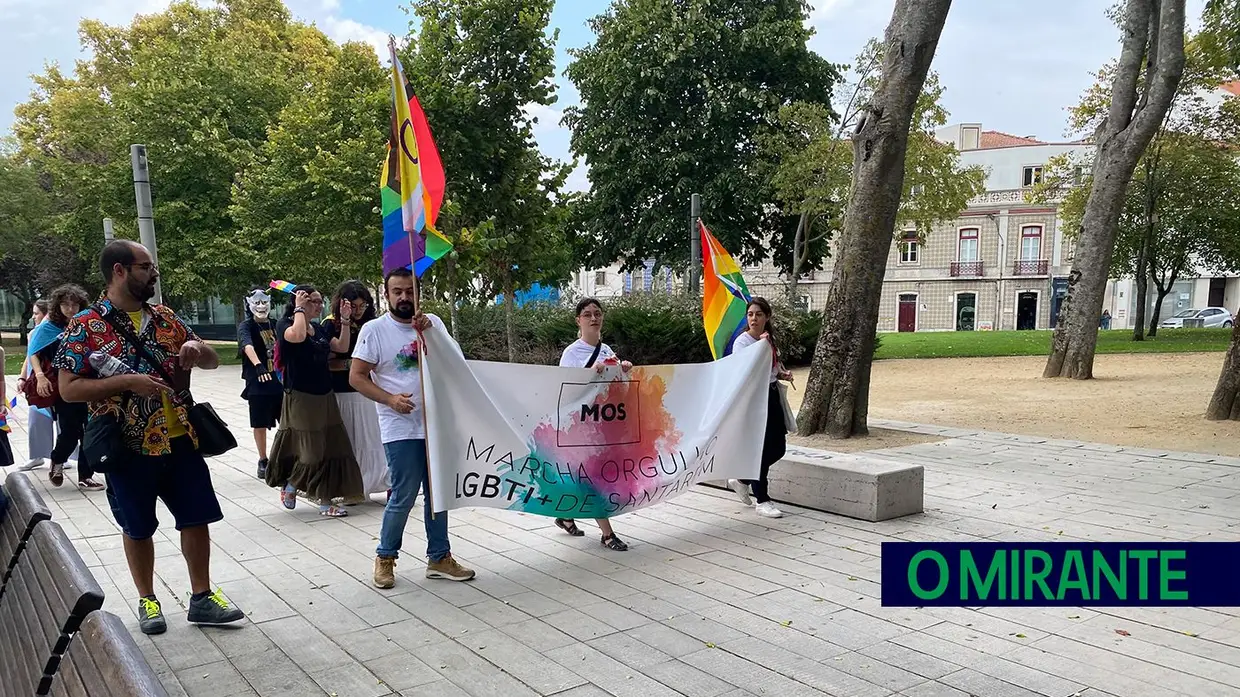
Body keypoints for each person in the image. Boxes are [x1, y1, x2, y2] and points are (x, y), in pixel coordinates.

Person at [53, 240, 245, 635]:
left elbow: (209, 360)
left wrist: (196, 347)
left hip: (180, 438)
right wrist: (124, 382)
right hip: (127, 446)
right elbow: (68, 388)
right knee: (137, 527)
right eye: (145, 267)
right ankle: (147, 599)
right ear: (119, 271)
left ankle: (202, 597)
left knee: (196, 519)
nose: (153, 273)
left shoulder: (165, 318)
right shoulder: (86, 325)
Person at [350, 268, 475, 588]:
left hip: (437, 424)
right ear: (387, 294)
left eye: (410, 291)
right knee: (404, 493)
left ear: (419, 293)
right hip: (400, 427)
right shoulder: (374, 330)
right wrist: (390, 399)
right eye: (397, 292)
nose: (404, 297)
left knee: (439, 493)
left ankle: (439, 557)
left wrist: (433, 332)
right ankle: (385, 557)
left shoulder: (433, 324)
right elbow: (357, 377)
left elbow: (455, 362)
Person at [264, 284, 363, 517]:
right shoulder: (285, 324)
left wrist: (346, 321)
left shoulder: (317, 328)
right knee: (311, 453)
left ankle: (326, 502)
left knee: (332, 449)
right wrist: (299, 309)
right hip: (301, 397)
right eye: (313, 301)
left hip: (325, 395)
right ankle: (291, 484)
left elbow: (341, 346)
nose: (318, 305)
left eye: (320, 301)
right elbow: (297, 337)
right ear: (300, 302)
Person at [554, 298, 632, 551]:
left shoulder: (607, 350)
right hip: (582, 426)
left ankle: (566, 515)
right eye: (587, 314)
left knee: (590, 476)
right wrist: (591, 372)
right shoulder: (571, 353)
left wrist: (624, 370)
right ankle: (607, 534)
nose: (593, 318)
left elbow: (619, 386)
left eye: (597, 313)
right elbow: (566, 389)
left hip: (604, 424)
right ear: (578, 320)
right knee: (595, 477)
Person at [30, 284, 102, 490]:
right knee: (70, 430)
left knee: (89, 430)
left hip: (89, 382)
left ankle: (86, 475)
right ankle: (57, 460)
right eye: (65, 304)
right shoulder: (49, 327)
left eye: (75, 304)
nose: (70, 309)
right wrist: (40, 377)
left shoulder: (85, 324)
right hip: (63, 386)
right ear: (57, 306)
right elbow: (34, 353)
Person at [322, 281, 388, 502]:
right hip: (342, 390)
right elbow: (329, 361)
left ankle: (382, 481)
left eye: (363, 306)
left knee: (373, 440)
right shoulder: (330, 325)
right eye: (355, 306)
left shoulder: (373, 325)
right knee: (351, 440)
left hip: (369, 389)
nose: (359, 310)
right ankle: (352, 486)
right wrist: (355, 365)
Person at [726, 297, 791, 519]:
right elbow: (746, 371)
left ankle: (743, 479)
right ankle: (762, 500)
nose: (754, 319)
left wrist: (782, 373)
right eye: (750, 314)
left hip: (771, 395)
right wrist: (762, 347)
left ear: (767, 317)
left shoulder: (769, 340)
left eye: (758, 314)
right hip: (754, 400)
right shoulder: (742, 343)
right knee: (760, 450)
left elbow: (773, 368)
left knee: (778, 447)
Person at [237, 288, 282, 479]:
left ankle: (287, 455)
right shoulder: (246, 326)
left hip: (279, 380)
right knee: (259, 422)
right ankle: (263, 459)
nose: (261, 306)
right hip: (257, 381)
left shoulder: (276, 324)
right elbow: (247, 345)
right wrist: (258, 365)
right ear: (249, 303)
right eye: (257, 302)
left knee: (286, 420)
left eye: (264, 302)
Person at [17, 300, 56, 469]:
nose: (34, 317)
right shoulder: (34, 333)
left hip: (54, 378)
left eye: (36, 313)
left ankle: (65, 455)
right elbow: (29, 355)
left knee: (63, 418)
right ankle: (37, 455)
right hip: (37, 381)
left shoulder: (54, 331)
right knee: (37, 417)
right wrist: (22, 377)